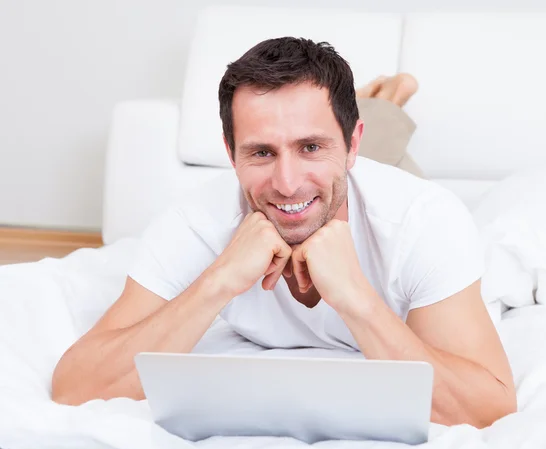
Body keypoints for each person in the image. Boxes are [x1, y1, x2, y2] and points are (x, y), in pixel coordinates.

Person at [51, 37, 517, 428]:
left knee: (386, 158)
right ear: (230, 154)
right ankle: (363, 111)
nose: (286, 181)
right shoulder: (194, 225)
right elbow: (77, 385)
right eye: (260, 153)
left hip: (375, 183)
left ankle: (386, 102)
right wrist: (218, 281)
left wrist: (357, 299)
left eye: (310, 145)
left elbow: (487, 408)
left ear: (354, 143)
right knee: (315, 185)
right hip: (335, 181)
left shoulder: (422, 218)